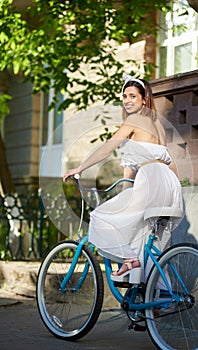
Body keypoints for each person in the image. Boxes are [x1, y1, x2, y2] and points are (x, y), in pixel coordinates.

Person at [63, 73, 183, 284]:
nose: (127, 100)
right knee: (150, 244)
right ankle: (151, 301)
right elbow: (168, 164)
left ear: (144, 99)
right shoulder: (159, 126)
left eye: (132, 96)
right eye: (125, 96)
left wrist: (81, 167)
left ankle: (129, 260)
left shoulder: (135, 119)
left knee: (100, 218)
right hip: (169, 183)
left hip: (151, 180)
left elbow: (108, 147)